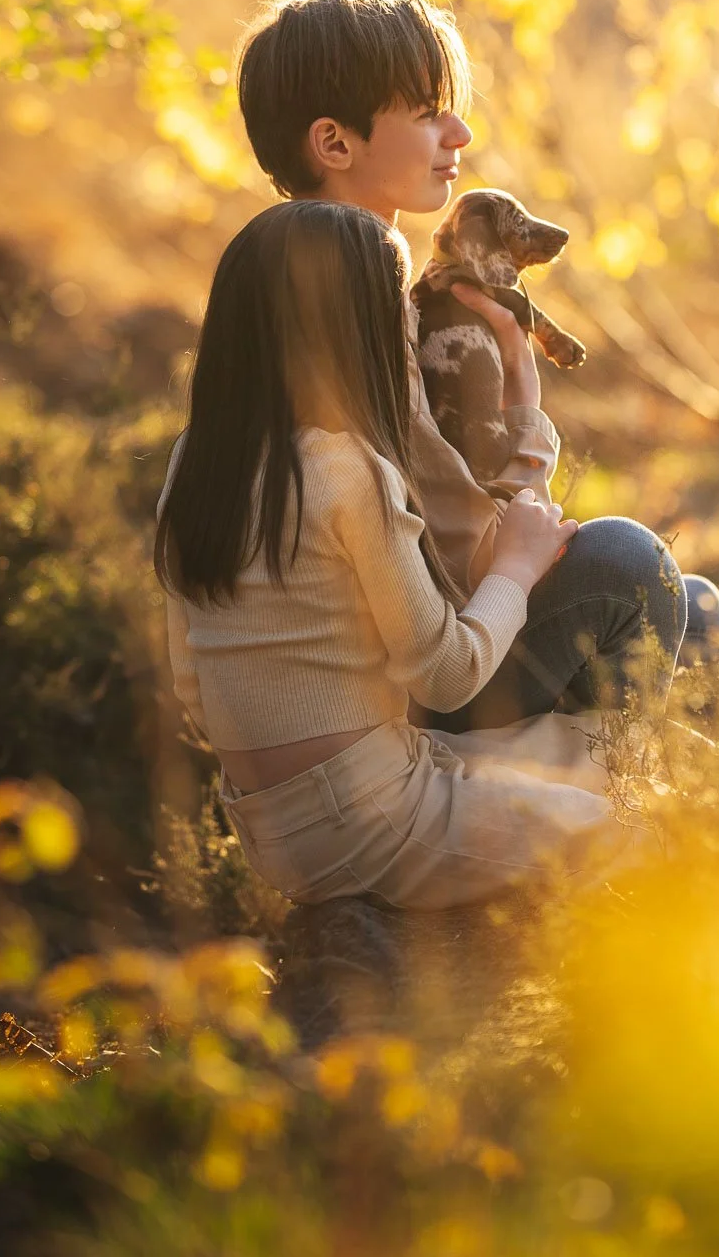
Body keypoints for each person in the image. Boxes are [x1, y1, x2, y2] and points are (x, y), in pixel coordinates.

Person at [232, 0, 719, 730]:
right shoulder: (358, 302)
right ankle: (650, 814)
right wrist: (524, 407)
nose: (459, 134)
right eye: (427, 114)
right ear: (334, 142)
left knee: (700, 603)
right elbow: (464, 536)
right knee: (627, 565)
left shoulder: (277, 277)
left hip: (420, 643)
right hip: (430, 675)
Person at [156, 201, 630, 908]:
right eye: (399, 310)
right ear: (362, 332)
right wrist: (518, 568)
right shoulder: (350, 471)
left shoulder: (195, 460)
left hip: (269, 821)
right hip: (374, 814)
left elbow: (189, 675)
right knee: (629, 827)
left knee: (599, 752)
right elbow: (445, 676)